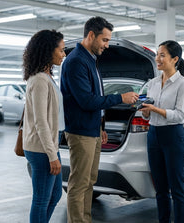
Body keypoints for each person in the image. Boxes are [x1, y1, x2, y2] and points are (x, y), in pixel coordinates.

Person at [60, 16, 139, 223]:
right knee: (79, 183)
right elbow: (87, 101)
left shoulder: (90, 59)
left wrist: (100, 125)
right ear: (91, 35)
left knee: (89, 181)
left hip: (92, 130)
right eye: (104, 40)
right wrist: (120, 98)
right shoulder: (76, 61)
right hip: (80, 132)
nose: (107, 45)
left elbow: (96, 95)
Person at [140, 40, 184, 223]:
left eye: (162, 55)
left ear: (175, 59)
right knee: (160, 189)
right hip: (153, 135)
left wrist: (155, 110)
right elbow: (148, 115)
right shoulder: (152, 83)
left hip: (173, 136)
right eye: (157, 54)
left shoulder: (183, 84)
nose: (157, 58)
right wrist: (146, 112)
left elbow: (179, 115)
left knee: (177, 188)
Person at [22, 29, 66, 223]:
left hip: (49, 145)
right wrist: (51, 155)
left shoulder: (47, 77)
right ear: (48, 50)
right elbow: (41, 122)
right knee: (41, 199)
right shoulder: (40, 80)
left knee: (55, 195)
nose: (64, 54)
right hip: (41, 149)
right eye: (61, 50)